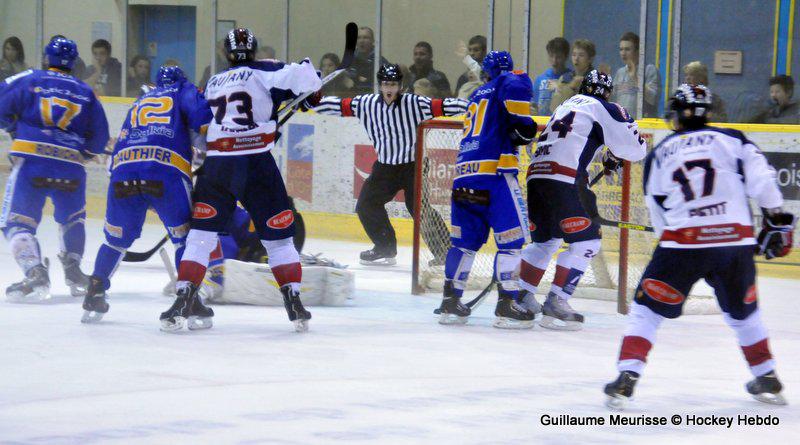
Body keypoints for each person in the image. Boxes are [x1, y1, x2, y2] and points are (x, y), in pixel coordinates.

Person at [604, 84, 795, 409]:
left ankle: (627, 374)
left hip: (682, 242)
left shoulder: (662, 151)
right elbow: (764, 182)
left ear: (677, 114)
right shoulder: (732, 138)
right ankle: (766, 374)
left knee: (647, 310)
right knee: (744, 313)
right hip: (734, 243)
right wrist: (776, 219)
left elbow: (657, 209)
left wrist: (669, 244)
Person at [161, 28, 321, 332]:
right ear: (254, 49)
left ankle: (183, 299)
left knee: (200, 237)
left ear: (226, 53)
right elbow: (309, 81)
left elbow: (206, 124)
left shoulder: (213, 82)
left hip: (218, 165)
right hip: (256, 163)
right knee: (278, 239)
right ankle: (294, 301)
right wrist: (311, 91)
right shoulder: (267, 70)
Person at [80, 65, 212, 323]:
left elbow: (120, 149)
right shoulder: (183, 90)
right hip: (165, 173)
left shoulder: (140, 101)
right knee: (184, 240)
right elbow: (203, 127)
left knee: (115, 241)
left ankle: (95, 291)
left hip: (123, 173)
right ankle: (190, 299)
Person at [519, 70, 647, 330]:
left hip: (536, 175)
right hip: (565, 178)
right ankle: (557, 301)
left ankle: (520, 297)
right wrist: (616, 153)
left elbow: (580, 137)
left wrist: (610, 152)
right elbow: (636, 149)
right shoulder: (605, 108)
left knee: (545, 242)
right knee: (587, 241)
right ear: (608, 93)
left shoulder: (566, 105)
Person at [313, 64, 466, 265]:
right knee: (366, 205)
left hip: (414, 166)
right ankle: (384, 246)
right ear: (380, 85)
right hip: (385, 167)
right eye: (386, 84)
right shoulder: (366, 103)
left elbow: (446, 105)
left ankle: (445, 251)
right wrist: (310, 101)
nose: (389, 88)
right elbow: (337, 107)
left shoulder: (415, 103)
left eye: (393, 84)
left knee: (419, 208)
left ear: (401, 86)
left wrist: (476, 105)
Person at [0, 37, 109, 301]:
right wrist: (82, 154)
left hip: (32, 161)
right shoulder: (85, 91)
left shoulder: (30, 78)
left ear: (47, 57)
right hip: (70, 165)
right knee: (73, 218)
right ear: (74, 62)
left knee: (16, 223)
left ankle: (35, 272)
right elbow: (100, 137)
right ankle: (74, 271)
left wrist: (14, 129)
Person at [435, 50, 537, 328]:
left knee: (463, 244)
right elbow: (519, 98)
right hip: (494, 176)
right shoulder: (508, 81)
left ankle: (450, 301)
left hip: (464, 178)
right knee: (511, 243)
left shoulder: (475, 96)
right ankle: (507, 303)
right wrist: (526, 125)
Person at [611, 32, 660, 118]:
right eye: (621, 49)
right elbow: (612, 99)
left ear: (638, 51)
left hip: (641, 123)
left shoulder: (649, 70)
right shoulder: (620, 72)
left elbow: (653, 98)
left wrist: (636, 79)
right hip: (622, 121)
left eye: (627, 49)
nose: (623, 53)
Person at [549, 39, 596, 110]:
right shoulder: (564, 78)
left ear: (590, 59)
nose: (576, 58)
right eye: (574, 55)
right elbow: (554, 108)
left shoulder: (596, 79)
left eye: (581, 55)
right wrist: (570, 87)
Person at [531, 37, 572, 116]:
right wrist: (532, 110)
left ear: (566, 57)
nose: (554, 61)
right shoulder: (540, 80)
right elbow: (534, 104)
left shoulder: (571, 79)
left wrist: (559, 89)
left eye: (558, 57)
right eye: (551, 56)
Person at [347, 26, 388, 95]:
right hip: (354, 96)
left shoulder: (380, 62)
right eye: (358, 38)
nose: (361, 41)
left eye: (365, 37)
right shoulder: (349, 61)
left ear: (372, 40)